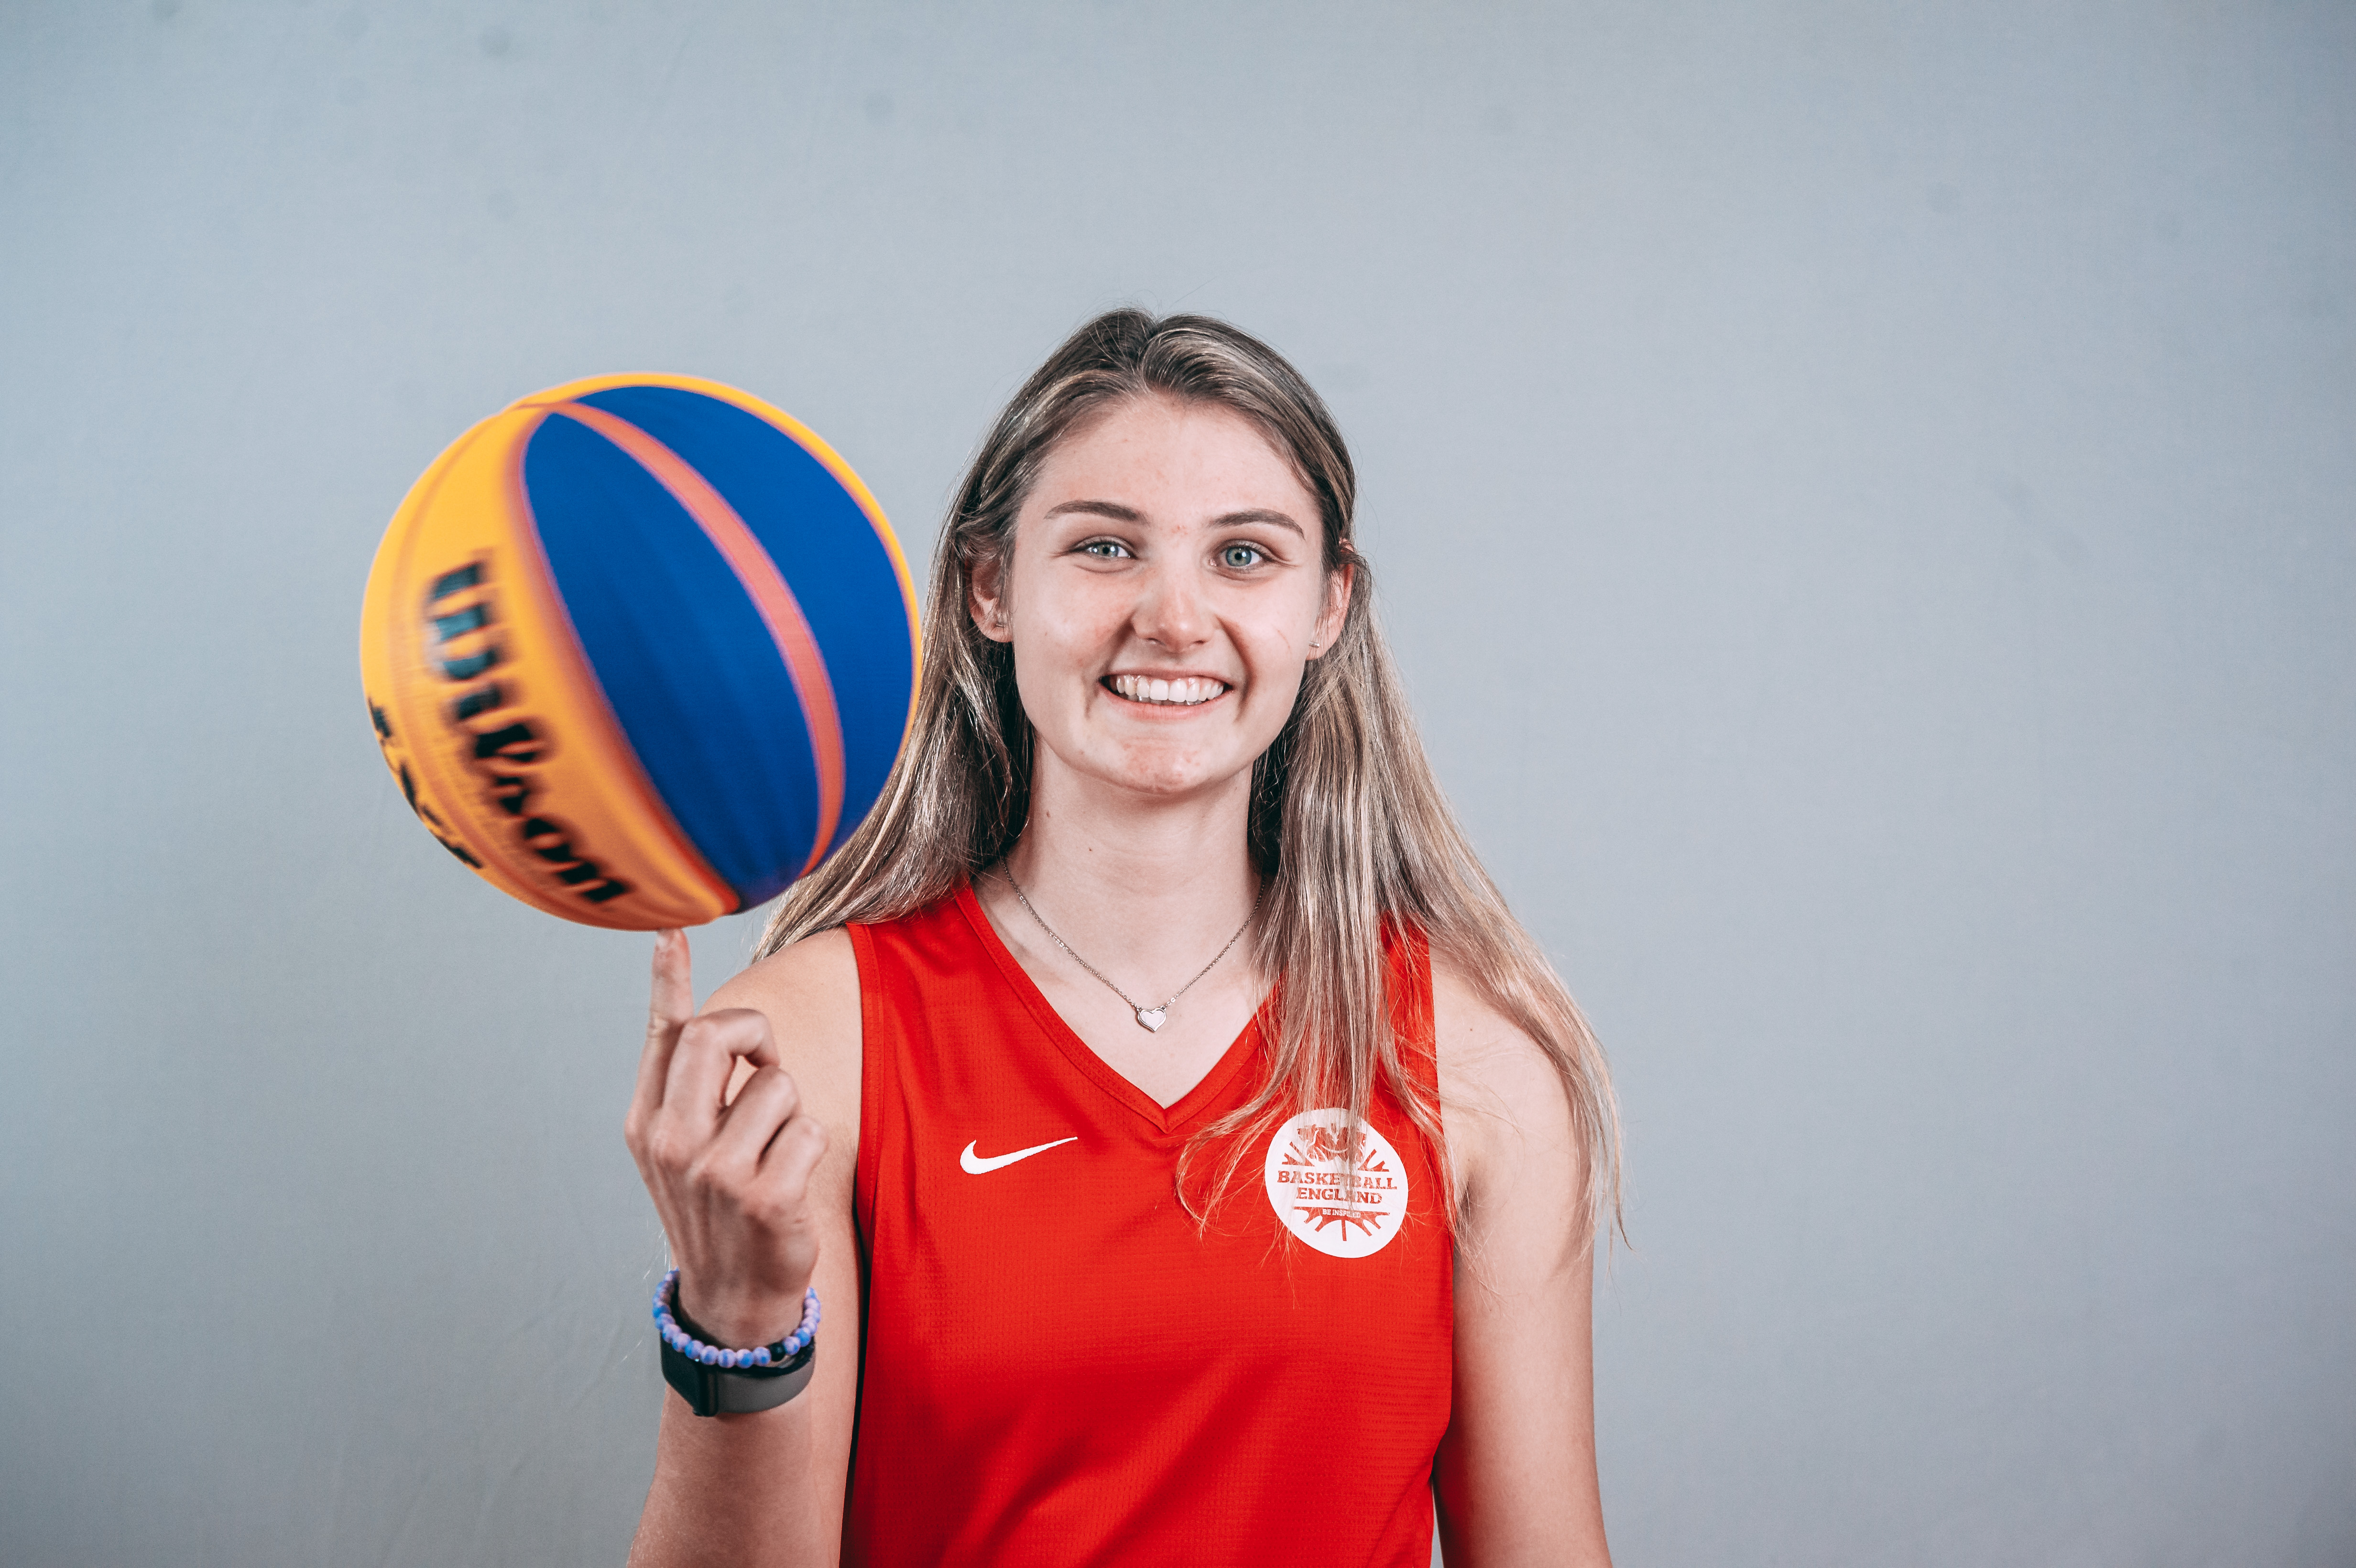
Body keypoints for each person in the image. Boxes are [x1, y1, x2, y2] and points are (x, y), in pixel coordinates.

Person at [622, 310, 1620, 1568]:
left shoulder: (1472, 1067)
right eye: (1104, 547)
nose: (1175, 618)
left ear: (1328, 607)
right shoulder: (815, 1044)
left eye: (1245, 555)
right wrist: (737, 1328)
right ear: (991, 587)